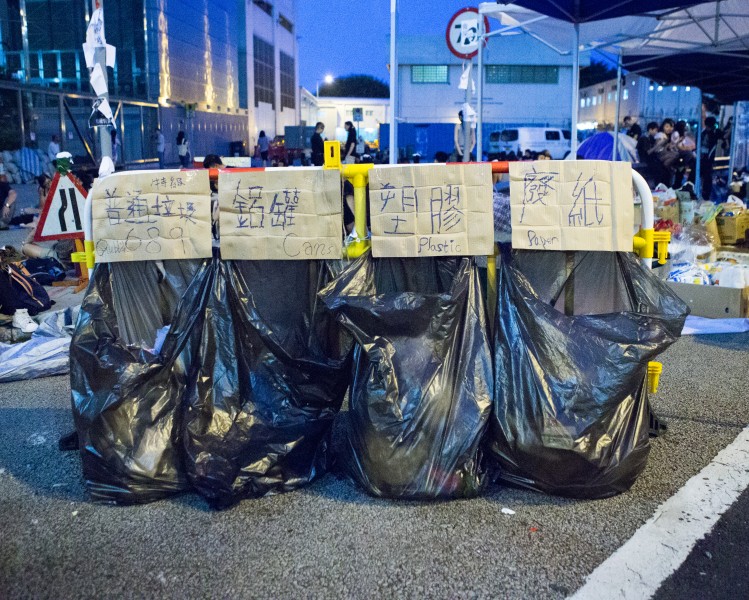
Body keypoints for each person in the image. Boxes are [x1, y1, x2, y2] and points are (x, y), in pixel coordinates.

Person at [700, 116, 724, 200]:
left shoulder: (713, 132)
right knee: (706, 176)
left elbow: (723, 137)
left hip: (707, 158)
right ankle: (704, 193)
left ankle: (705, 194)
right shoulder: (706, 133)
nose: (708, 128)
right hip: (705, 158)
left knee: (707, 176)